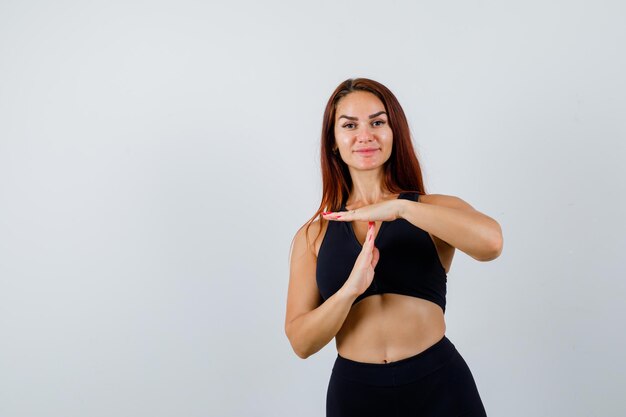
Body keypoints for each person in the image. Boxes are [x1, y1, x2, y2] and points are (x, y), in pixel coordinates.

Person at [284, 78, 503, 417]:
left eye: (377, 122)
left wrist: (401, 208)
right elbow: (301, 342)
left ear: (393, 131)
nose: (365, 135)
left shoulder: (432, 209)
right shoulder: (313, 236)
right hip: (356, 394)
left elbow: (491, 243)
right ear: (333, 142)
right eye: (350, 125)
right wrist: (348, 292)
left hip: (439, 386)